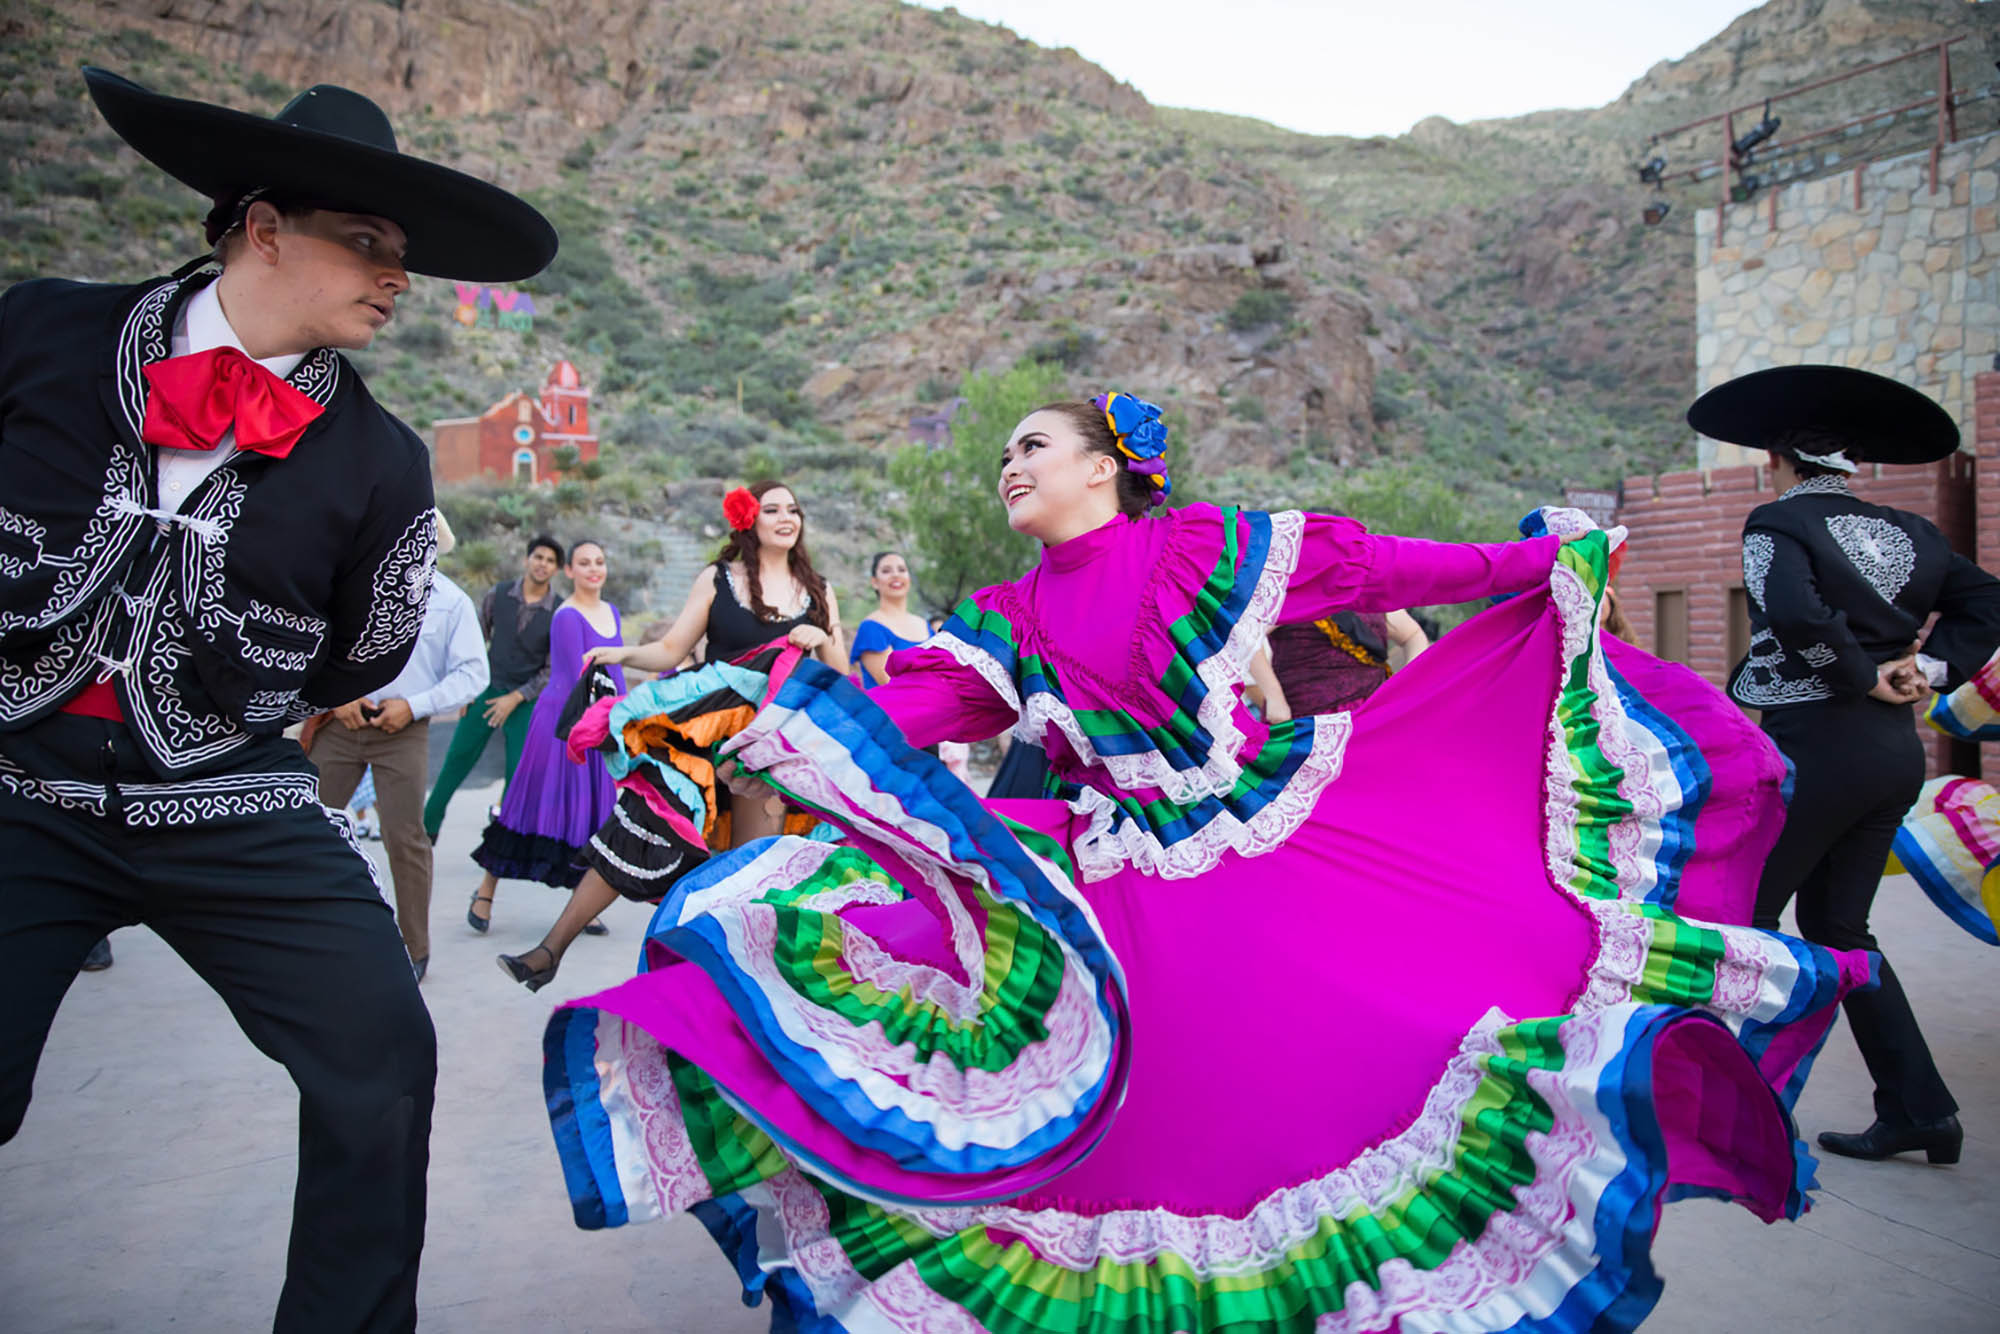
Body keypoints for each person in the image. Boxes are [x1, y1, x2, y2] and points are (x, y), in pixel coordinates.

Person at [536, 392, 1866, 1332]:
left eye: (1032, 444)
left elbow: (1384, 566)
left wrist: (1537, 555)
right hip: (1109, 883)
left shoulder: (1209, 548)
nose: (1011, 464)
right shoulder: (1008, 616)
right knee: (1108, 1135)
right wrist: (713, 713)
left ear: (1108, 464)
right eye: (1005, 450)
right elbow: (899, 719)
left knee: (1320, 1088)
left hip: (1252, 852)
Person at [0, 67, 554, 1331]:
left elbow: (362, 657)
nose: (396, 276)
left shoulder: (384, 458)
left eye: (403, 254)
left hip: (226, 793)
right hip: (13, 782)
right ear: (261, 228)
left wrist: (214, 690)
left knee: (382, 1055)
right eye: (367, 244)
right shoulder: (38, 332)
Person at [1698, 365, 2000, 1167]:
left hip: (1816, 746)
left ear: (1782, 459)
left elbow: (1795, 614)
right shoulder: (1916, 535)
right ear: (1848, 463)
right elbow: (1989, 603)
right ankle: (1920, 1108)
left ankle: (1733, 1118)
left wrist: (1865, 675)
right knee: (1838, 929)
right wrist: (1928, 671)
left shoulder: (1776, 524)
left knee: (1741, 921)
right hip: (1893, 755)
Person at [491, 484, 849, 990]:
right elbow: (670, 647)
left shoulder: (818, 590)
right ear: (750, 520)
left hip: (767, 743)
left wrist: (822, 635)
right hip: (702, 729)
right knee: (636, 821)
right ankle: (550, 951)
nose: (787, 517)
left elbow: (840, 672)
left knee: (747, 869)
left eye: (794, 508)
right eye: (773, 509)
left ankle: (723, 995)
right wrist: (620, 655)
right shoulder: (718, 578)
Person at [309, 514, 489, 982]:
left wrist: (413, 705)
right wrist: (339, 695)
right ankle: (302, 938)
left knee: (405, 838)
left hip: (403, 729)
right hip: (341, 720)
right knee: (306, 826)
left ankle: (414, 948)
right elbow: (316, 644)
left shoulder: (451, 602)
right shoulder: (351, 585)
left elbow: (474, 674)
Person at [466, 540, 625, 938]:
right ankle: (486, 890)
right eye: (584, 563)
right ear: (568, 571)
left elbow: (616, 672)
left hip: (600, 722)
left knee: (593, 811)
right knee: (530, 804)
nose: (594, 569)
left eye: (600, 562)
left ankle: (584, 906)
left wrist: (626, 717)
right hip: (562, 722)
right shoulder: (567, 617)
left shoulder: (612, 612)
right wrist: (615, 714)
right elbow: (577, 679)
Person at [422, 533, 563, 842]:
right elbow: (473, 643)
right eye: (538, 557)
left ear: (557, 570)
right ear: (528, 560)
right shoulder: (497, 595)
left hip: (525, 699)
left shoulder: (559, 612)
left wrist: (515, 698)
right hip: (487, 689)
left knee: (517, 774)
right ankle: (426, 828)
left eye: (550, 561)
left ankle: (502, 840)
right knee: (457, 759)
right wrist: (466, 690)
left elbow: (551, 669)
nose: (543, 564)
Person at [1264, 608, 1430, 718]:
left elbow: (1414, 636)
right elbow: (1245, 634)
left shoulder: (1371, 586)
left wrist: (1405, 685)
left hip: (1370, 715)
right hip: (1306, 720)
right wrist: (1274, 696)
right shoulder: (1299, 588)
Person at [850, 550, 931, 687]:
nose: (895, 575)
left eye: (902, 570)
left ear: (909, 578)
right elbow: (890, 682)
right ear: (874, 582)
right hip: (891, 707)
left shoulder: (924, 624)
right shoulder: (871, 628)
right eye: (886, 571)